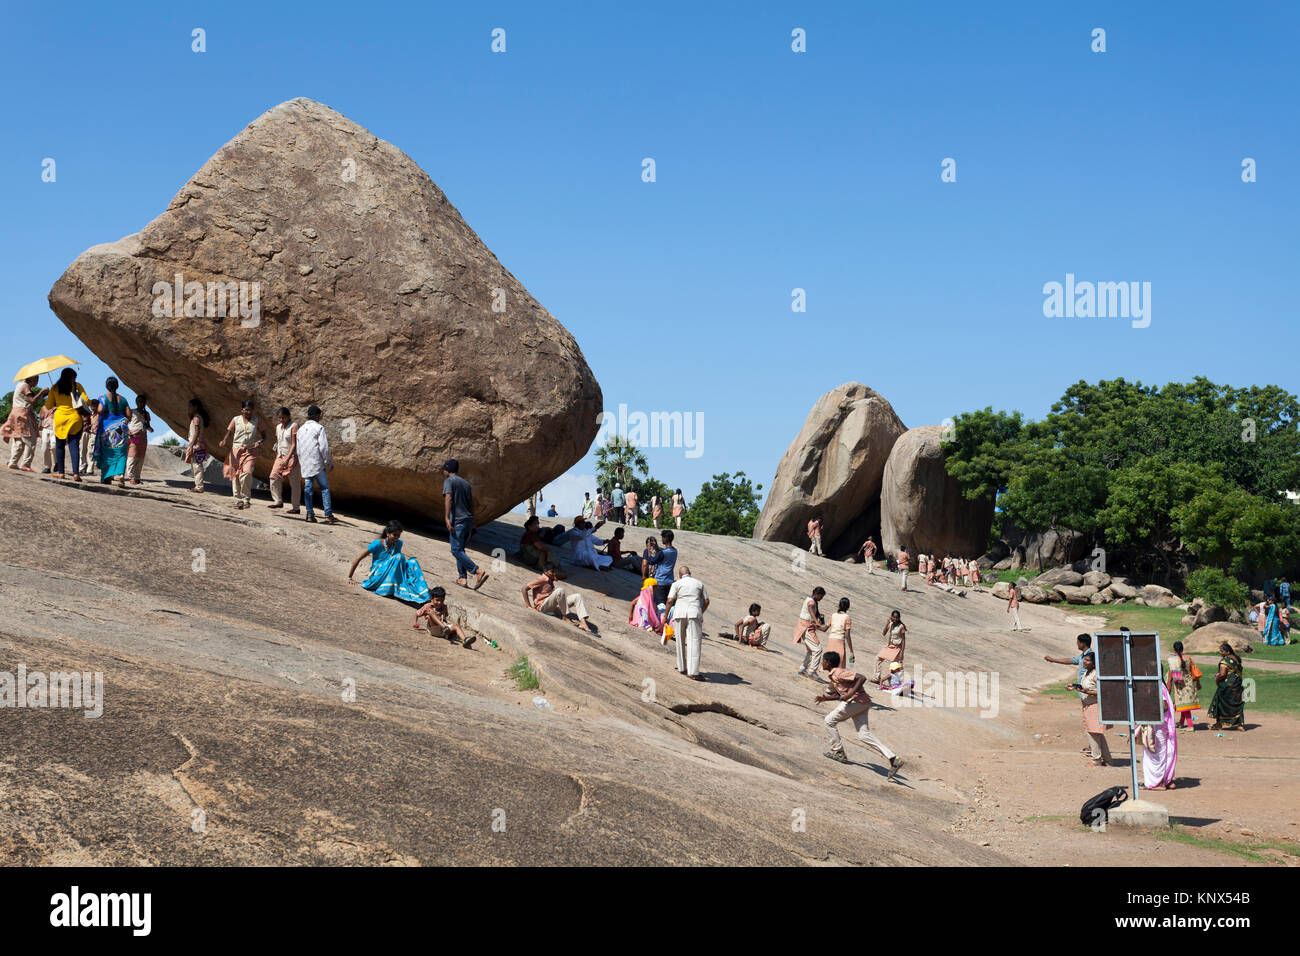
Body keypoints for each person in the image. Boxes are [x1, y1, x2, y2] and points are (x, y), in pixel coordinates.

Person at [816, 651, 904, 778]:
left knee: (829, 720)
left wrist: (850, 694)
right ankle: (893, 759)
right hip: (862, 703)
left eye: (823, 661)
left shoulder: (839, 672)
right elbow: (840, 695)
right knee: (864, 735)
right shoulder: (833, 675)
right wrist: (825, 698)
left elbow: (861, 678)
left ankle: (838, 752)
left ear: (828, 663)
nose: (822, 663)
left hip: (856, 702)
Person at [347, 520, 432, 604]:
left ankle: (421, 591)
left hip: (390, 572)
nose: (396, 538)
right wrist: (350, 577)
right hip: (378, 574)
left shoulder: (399, 543)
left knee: (412, 562)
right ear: (388, 533)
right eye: (394, 535)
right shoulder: (377, 543)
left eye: (398, 535)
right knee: (400, 556)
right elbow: (359, 558)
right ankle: (391, 589)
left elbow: (398, 565)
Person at [443, 459, 488, 590]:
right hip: (468, 520)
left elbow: (448, 497)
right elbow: (471, 504)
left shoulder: (449, 481)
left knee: (455, 550)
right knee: (460, 549)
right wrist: (473, 522)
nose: (443, 472)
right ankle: (462, 578)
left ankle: (476, 570)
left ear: (447, 469)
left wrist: (446, 518)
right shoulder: (466, 484)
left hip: (458, 521)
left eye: (444, 469)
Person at [45, 368, 91, 482]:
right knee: (74, 446)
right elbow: (87, 401)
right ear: (72, 377)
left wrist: (57, 401)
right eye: (74, 377)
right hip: (75, 418)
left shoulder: (55, 387)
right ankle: (76, 474)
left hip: (60, 418)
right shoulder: (77, 386)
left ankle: (61, 473)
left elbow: (48, 405)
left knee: (60, 445)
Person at [218, 400, 265, 509]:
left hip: (250, 450)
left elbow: (264, 435)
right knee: (235, 475)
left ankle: (246, 499)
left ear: (253, 410)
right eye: (246, 410)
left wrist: (260, 442)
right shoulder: (236, 419)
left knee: (247, 472)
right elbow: (229, 432)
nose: (248, 412)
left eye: (250, 410)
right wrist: (224, 440)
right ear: (242, 410)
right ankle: (238, 499)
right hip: (236, 450)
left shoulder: (256, 420)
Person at [1069, 651, 1112, 766]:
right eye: (1084, 659)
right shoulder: (1087, 673)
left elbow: (1103, 690)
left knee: (1092, 734)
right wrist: (1074, 687)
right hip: (1088, 706)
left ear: (1094, 663)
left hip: (1095, 706)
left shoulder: (1096, 674)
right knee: (1097, 733)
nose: (1084, 661)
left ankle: (1096, 760)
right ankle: (1107, 760)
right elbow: (1085, 687)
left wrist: (1086, 691)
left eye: (1088, 660)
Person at [666, 565, 709, 680]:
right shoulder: (699, 583)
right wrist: (701, 611)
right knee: (694, 641)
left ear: (680, 575)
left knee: (679, 641)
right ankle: (693, 672)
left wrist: (665, 616)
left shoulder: (676, 584)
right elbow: (706, 601)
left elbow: (670, 600)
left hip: (679, 613)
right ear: (690, 573)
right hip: (694, 613)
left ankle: (682, 668)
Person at [523, 564, 593, 632]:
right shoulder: (541, 579)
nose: (554, 574)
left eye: (555, 571)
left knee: (577, 596)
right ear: (545, 571)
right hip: (542, 607)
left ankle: (583, 622)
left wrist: (553, 579)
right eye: (552, 572)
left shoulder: (550, 578)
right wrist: (528, 606)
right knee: (560, 590)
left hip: (552, 607)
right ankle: (566, 617)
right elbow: (524, 589)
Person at [297, 405, 336, 524]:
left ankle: (309, 514)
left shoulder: (300, 429)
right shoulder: (319, 428)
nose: (320, 418)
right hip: (317, 463)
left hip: (306, 463)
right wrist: (328, 461)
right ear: (316, 415)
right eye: (319, 416)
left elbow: (298, 449)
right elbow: (323, 447)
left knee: (308, 489)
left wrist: (302, 462)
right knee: (324, 488)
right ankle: (328, 515)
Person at [1138, 682, 1179, 790]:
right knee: (1164, 753)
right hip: (1163, 725)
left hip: (1158, 725)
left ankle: (1158, 783)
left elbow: (1164, 705)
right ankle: (1167, 780)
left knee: (1155, 754)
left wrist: (1146, 709)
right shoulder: (1159, 685)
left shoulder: (1155, 685)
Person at [3, 375, 47, 471]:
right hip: (23, 415)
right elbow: (32, 401)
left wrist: (42, 394)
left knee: (19, 441)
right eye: (36, 379)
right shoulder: (25, 386)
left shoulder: (20, 385)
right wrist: (41, 392)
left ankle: (13, 463)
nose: (37, 381)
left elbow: (30, 399)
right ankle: (26, 464)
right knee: (30, 440)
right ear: (31, 378)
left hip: (15, 414)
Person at [95, 377, 131, 486]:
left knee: (107, 453)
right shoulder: (123, 399)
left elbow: (100, 410)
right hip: (121, 429)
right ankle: (121, 475)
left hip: (107, 429)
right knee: (121, 453)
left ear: (107, 386)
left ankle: (107, 477)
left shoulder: (103, 397)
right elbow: (129, 415)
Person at [267, 407, 302, 513]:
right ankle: (278, 501)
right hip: (280, 456)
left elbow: (294, 444)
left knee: (294, 482)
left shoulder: (294, 426)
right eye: (280, 418)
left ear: (288, 416)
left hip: (292, 456)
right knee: (273, 476)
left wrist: (287, 458)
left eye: (283, 417)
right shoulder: (278, 427)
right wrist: (277, 455)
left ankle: (296, 507)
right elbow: (278, 442)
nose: (281, 420)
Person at [1207, 642, 1246, 731]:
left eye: (1222, 651)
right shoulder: (1237, 659)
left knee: (1220, 703)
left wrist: (1217, 679)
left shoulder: (1225, 661)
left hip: (1227, 686)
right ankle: (1240, 725)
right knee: (1237, 704)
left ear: (1227, 652)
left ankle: (1218, 724)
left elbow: (1223, 674)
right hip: (1238, 685)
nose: (1220, 653)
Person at [1166, 640, 1202, 731]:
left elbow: (1171, 674)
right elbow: (1194, 670)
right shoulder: (1188, 658)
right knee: (1184, 705)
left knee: (1184, 706)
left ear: (1174, 649)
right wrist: (1198, 682)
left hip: (1180, 686)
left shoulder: (1172, 660)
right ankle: (1181, 723)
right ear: (1183, 648)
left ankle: (1190, 726)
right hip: (1189, 685)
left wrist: (1168, 685)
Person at [793, 586, 829, 679]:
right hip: (807, 627)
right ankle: (812, 671)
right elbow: (810, 608)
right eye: (821, 596)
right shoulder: (811, 602)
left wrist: (818, 616)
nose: (821, 599)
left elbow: (812, 610)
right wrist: (816, 621)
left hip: (804, 626)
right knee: (818, 649)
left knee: (810, 650)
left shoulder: (810, 600)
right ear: (817, 594)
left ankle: (803, 668)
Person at [125, 392, 153, 484]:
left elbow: (148, 426)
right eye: (139, 402)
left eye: (143, 402)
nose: (141, 404)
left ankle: (137, 477)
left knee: (140, 458)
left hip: (143, 438)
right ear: (136, 402)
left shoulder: (146, 414)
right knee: (132, 456)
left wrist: (150, 429)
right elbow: (125, 422)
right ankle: (130, 476)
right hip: (133, 436)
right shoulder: (132, 412)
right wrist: (128, 431)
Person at [184, 398, 211, 493]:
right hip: (200, 444)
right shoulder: (198, 417)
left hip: (196, 445)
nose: (188, 408)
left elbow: (196, 432)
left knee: (197, 465)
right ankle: (198, 485)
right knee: (197, 465)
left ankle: (199, 487)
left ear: (195, 407)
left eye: (190, 406)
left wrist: (191, 445)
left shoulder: (196, 418)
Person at [646, 529, 678, 607]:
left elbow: (651, 561)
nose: (662, 539)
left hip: (660, 581)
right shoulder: (675, 551)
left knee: (660, 605)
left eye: (663, 537)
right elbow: (664, 553)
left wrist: (649, 549)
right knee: (668, 605)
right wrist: (656, 546)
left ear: (666, 539)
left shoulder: (663, 552)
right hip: (670, 581)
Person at [875, 610, 906, 683]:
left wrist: (902, 652)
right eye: (894, 617)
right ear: (891, 617)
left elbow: (904, 640)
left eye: (897, 618)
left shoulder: (901, 626)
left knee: (896, 667)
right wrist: (887, 623)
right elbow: (883, 633)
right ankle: (876, 678)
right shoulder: (891, 624)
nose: (895, 619)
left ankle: (900, 682)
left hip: (897, 648)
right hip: (890, 646)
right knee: (877, 659)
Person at [825, 597, 855, 667]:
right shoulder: (847, 617)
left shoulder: (833, 615)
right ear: (848, 607)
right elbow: (847, 635)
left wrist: (815, 624)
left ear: (839, 605)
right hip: (839, 641)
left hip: (831, 640)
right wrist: (851, 651)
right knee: (839, 662)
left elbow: (824, 629)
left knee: (830, 661)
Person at [80, 399, 100, 476]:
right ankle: (82, 467)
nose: (93, 407)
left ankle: (90, 469)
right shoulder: (89, 414)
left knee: (91, 451)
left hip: (94, 434)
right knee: (83, 450)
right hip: (87, 432)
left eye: (95, 406)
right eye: (92, 406)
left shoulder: (99, 415)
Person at [37, 404, 55, 473]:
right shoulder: (44, 407)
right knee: (44, 448)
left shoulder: (60, 407)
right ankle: (47, 467)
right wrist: (37, 430)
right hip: (45, 429)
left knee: (54, 446)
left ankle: (57, 464)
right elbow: (41, 419)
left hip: (55, 429)